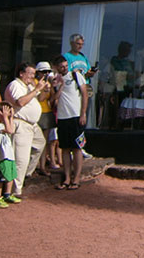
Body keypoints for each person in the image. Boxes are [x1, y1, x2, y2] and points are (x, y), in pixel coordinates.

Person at [4, 63, 47, 197]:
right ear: (21, 73)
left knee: (40, 144)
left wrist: (42, 88)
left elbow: (40, 98)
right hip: (21, 124)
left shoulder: (28, 86)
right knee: (20, 159)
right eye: (30, 74)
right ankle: (15, 190)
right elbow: (20, 102)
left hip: (32, 125)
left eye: (34, 74)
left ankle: (26, 174)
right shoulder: (15, 85)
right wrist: (35, 90)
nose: (32, 77)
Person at [52, 55, 88, 190]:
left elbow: (85, 94)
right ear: (56, 67)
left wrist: (83, 113)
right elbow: (53, 100)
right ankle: (67, 177)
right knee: (65, 148)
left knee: (77, 148)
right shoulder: (55, 80)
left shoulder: (75, 75)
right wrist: (57, 85)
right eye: (62, 67)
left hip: (75, 115)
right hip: (62, 117)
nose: (65, 69)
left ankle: (76, 178)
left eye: (66, 66)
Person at [63, 33, 97, 136]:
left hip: (85, 87)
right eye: (78, 44)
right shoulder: (66, 57)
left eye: (82, 44)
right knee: (75, 114)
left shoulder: (83, 57)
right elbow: (65, 74)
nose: (80, 46)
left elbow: (86, 71)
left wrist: (90, 73)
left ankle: (81, 141)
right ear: (71, 43)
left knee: (84, 113)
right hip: (73, 88)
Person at [0, 101, 21, 208]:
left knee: (11, 175)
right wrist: (5, 118)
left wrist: (10, 117)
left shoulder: (6, 122)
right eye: (6, 112)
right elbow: (8, 130)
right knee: (1, 177)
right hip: (1, 156)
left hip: (9, 154)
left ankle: (7, 194)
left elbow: (11, 129)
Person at [35, 61, 60, 175]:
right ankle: (36, 165)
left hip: (47, 112)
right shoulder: (36, 83)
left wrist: (57, 88)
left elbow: (52, 99)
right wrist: (45, 88)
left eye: (48, 72)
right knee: (37, 141)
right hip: (38, 113)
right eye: (43, 72)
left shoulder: (48, 83)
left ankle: (42, 165)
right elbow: (40, 98)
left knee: (45, 141)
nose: (46, 74)